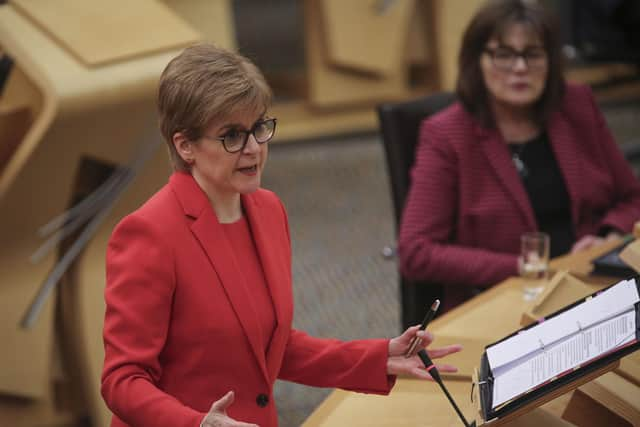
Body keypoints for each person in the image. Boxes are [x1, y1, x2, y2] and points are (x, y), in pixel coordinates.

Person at [101, 44, 461, 427]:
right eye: (232, 136)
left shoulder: (267, 210)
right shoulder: (149, 234)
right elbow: (121, 381)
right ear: (185, 145)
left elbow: (271, 347)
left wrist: (377, 356)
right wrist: (196, 424)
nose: (254, 148)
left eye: (259, 127)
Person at [398, 0, 640, 312]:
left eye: (533, 53)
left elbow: (632, 197)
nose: (520, 67)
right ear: (476, 61)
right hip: (502, 301)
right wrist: (523, 266)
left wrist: (608, 234)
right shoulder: (447, 134)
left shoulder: (576, 106)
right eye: (504, 54)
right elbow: (416, 252)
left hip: (590, 288)